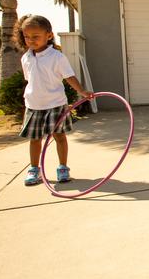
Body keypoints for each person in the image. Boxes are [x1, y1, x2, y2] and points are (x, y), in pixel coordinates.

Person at [15, 15, 93, 186]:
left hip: (55, 103)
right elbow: (30, 80)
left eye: (36, 36)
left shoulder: (56, 57)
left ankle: (63, 167)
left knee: (59, 136)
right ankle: (34, 169)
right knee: (35, 139)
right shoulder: (26, 58)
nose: (31, 40)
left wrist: (81, 91)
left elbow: (69, 77)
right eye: (27, 37)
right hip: (34, 105)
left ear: (48, 36)